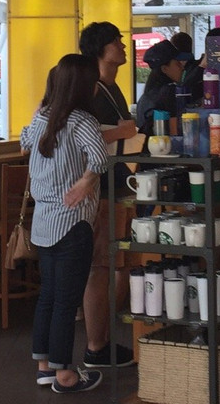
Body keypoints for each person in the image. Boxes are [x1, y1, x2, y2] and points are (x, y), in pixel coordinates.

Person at [20, 54, 109, 393]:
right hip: (73, 222)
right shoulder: (83, 120)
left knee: (49, 296)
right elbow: (100, 158)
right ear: (85, 85)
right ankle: (65, 375)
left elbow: (24, 143)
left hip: (43, 222)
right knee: (66, 301)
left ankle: (44, 367)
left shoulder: (43, 117)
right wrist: (85, 183)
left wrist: (40, 108)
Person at [78, 21, 139, 370]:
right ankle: (95, 347)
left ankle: (101, 339)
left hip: (118, 183)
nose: (123, 46)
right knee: (100, 268)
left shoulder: (113, 88)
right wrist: (123, 132)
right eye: (117, 41)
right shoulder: (91, 89)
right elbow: (78, 137)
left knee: (113, 265)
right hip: (100, 187)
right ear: (101, 48)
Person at [135, 39, 185, 134]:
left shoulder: (146, 96)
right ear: (164, 69)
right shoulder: (169, 92)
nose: (182, 68)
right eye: (178, 64)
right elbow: (174, 133)